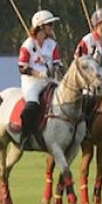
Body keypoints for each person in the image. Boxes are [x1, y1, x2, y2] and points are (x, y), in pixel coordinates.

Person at [18, 10, 63, 147]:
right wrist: (39, 74)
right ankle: (25, 136)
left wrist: (54, 71)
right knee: (32, 105)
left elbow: (58, 64)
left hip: (50, 80)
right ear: (41, 26)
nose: (52, 27)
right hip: (32, 82)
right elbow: (22, 67)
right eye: (50, 24)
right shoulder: (28, 45)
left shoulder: (52, 44)